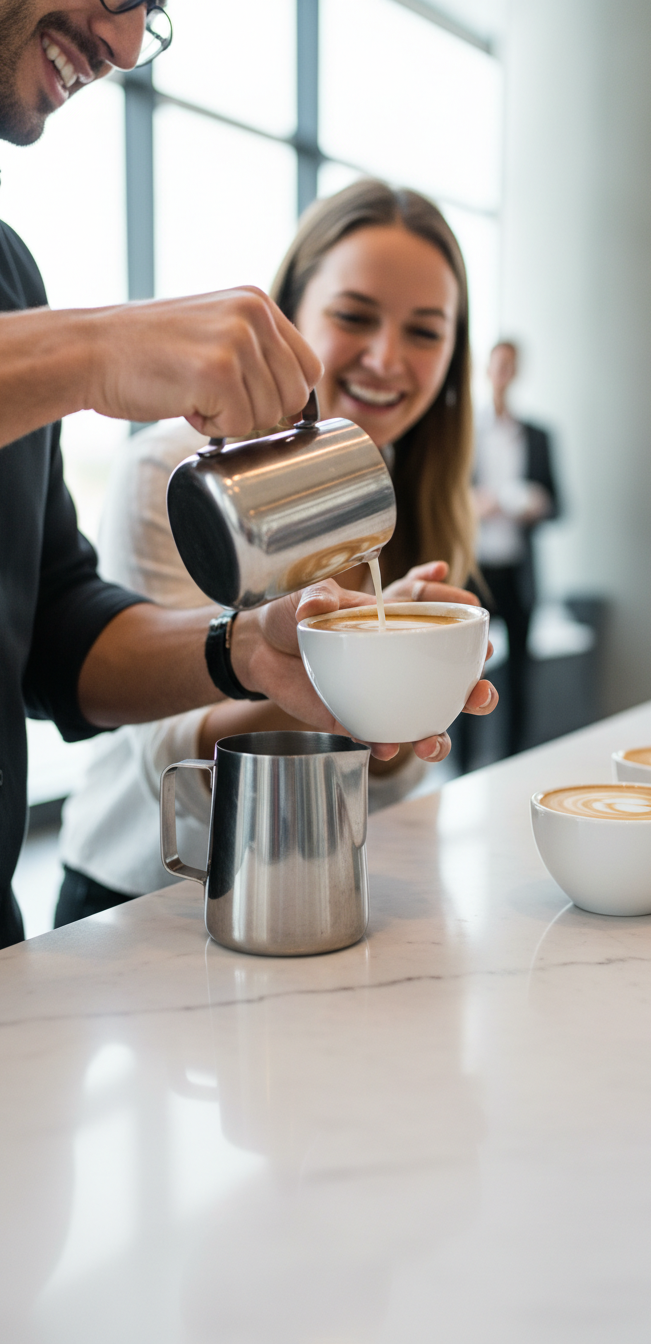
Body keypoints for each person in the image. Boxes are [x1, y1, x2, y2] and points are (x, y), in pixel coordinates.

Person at [0, 3, 497, 946]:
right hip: (141, 904)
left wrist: (252, 651)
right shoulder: (164, 457)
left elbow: (56, 634)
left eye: (151, 12)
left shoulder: (8, 272)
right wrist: (92, 353)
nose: (127, 45)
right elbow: (159, 767)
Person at [57, 179, 491, 919]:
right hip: (153, 898)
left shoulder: (419, 489)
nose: (387, 358)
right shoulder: (181, 476)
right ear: (288, 319)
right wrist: (341, 674)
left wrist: (411, 689)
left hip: (334, 883)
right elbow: (171, 763)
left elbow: (391, 773)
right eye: (354, 316)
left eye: (425, 331)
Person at [473, 340, 559, 754]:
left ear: (517, 372)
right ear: (486, 369)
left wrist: (538, 504)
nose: (503, 373)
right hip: (476, 568)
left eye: (510, 366)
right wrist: (472, 503)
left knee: (521, 675)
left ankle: (514, 757)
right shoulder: (467, 434)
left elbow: (559, 504)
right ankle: (463, 763)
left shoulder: (538, 436)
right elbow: (444, 496)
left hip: (518, 570)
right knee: (467, 670)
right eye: (497, 364)